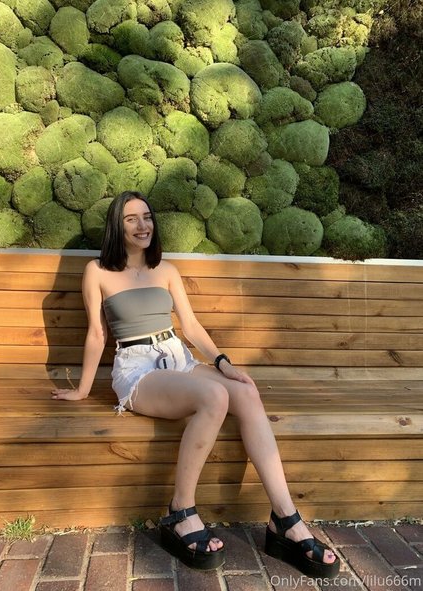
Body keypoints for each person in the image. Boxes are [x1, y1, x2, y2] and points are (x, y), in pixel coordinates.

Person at [52, 190, 340, 577]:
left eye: (147, 217)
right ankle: (181, 511)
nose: (143, 225)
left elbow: (189, 325)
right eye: (131, 219)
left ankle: (285, 519)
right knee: (214, 396)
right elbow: (97, 334)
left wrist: (223, 362)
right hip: (138, 368)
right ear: (116, 227)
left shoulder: (166, 270)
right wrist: (83, 389)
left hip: (178, 358)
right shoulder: (98, 271)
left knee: (246, 391)